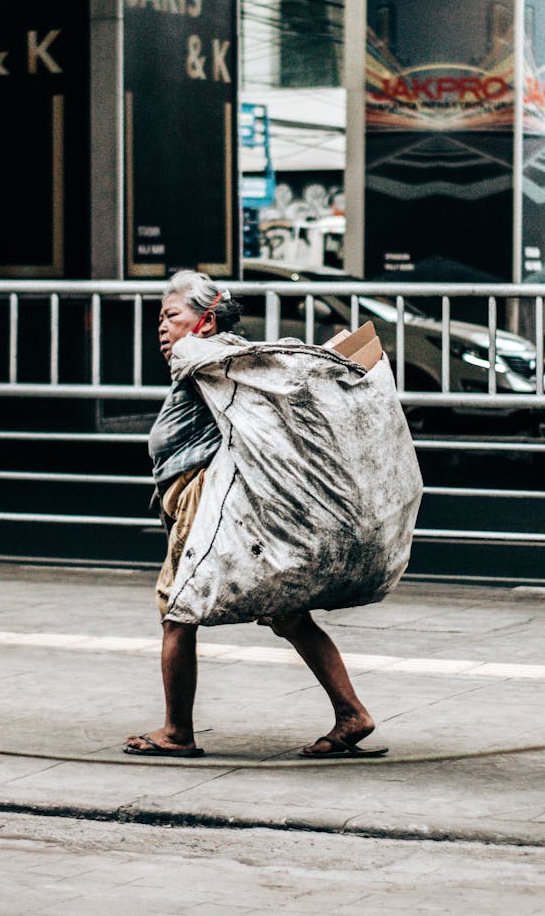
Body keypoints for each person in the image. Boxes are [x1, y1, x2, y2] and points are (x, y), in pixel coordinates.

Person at [123, 269, 385, 759]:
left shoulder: (210, 357)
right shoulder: (213, 363)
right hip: (221, 504)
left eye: (171, 316)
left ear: (202, 321)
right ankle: (352, 714)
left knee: (179, 612)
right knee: (288, 614)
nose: (161, 327)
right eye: (158, 317)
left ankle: (177, 732)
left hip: (212, 505)